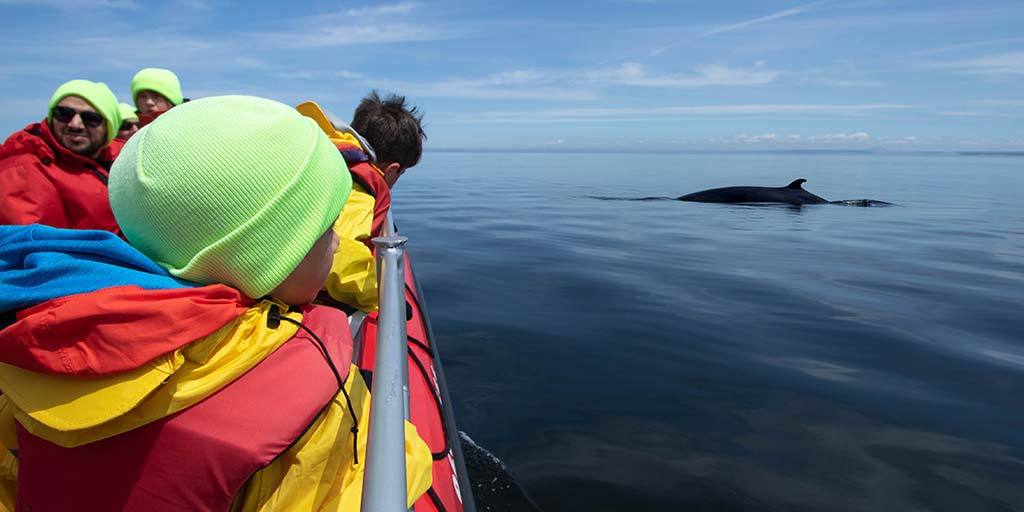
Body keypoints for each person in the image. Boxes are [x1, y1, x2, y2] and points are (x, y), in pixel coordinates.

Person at [0, 95, 432, 511]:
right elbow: (366, 481)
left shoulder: (30, 341)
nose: (338, 240)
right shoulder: (312, 393)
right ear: (268, 258)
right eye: (324, 230)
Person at [299, 91, 425, 312]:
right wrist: (384, 298)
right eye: (401, 173)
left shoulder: (333, 166)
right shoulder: (358, 190)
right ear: (392, 169)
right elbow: (338, 256)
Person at [0, 79, 123, 232]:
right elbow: (29, 246)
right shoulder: (23, 169)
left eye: (91, 118)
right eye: (64, 114)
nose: (75, 124)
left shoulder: (120, 159)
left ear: (108, 128)